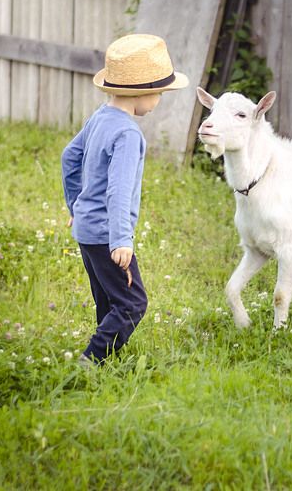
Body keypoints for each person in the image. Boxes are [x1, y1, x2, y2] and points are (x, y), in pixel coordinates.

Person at [61, 33, 188, 365]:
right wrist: (121, 239)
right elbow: (117, 190)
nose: (159, 99)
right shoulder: (128, 134)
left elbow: (68, 157)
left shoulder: (100, 117)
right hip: (107, 234)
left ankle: (106, 363)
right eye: (159, 92)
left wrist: (74, 205)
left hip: (87, 231)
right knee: (133, 304)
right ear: (143, 93)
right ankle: (90, 359)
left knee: (107, 301)